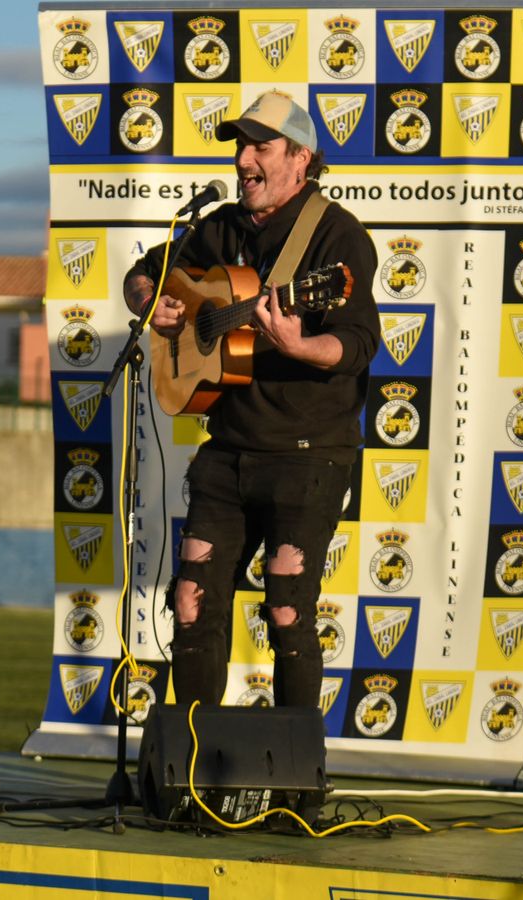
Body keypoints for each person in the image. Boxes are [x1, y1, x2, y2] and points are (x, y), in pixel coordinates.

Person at [122, 92, 381, 710]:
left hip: (308, 454)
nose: (243, 160)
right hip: (229, 449)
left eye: (260, 147)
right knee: (189, 601)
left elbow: (358, 344)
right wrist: (148, 301)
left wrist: (298, 345)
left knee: (288, 605)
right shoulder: (218, 228)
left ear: (300, 159)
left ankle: (297, 778)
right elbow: (148, 271)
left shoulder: (336, 237)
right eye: (240, 147)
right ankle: (194, 763)